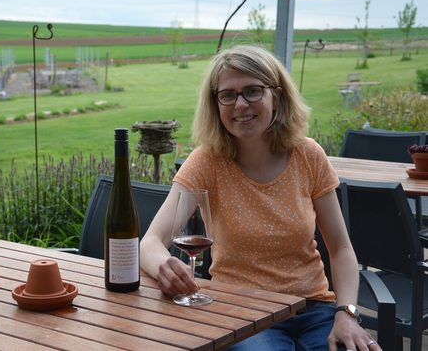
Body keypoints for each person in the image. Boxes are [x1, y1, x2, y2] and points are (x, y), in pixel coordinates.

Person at [140, 45, 380, 351]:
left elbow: (342, 250)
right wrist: (164, 267)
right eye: (228, 95)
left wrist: (347, 314)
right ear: (216, 104)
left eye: (253, 91)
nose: (240, 104)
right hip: (242, 314)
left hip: (314, 310)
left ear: (276, 97)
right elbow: (150, 243)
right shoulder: (207, 161)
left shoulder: (308, 155)